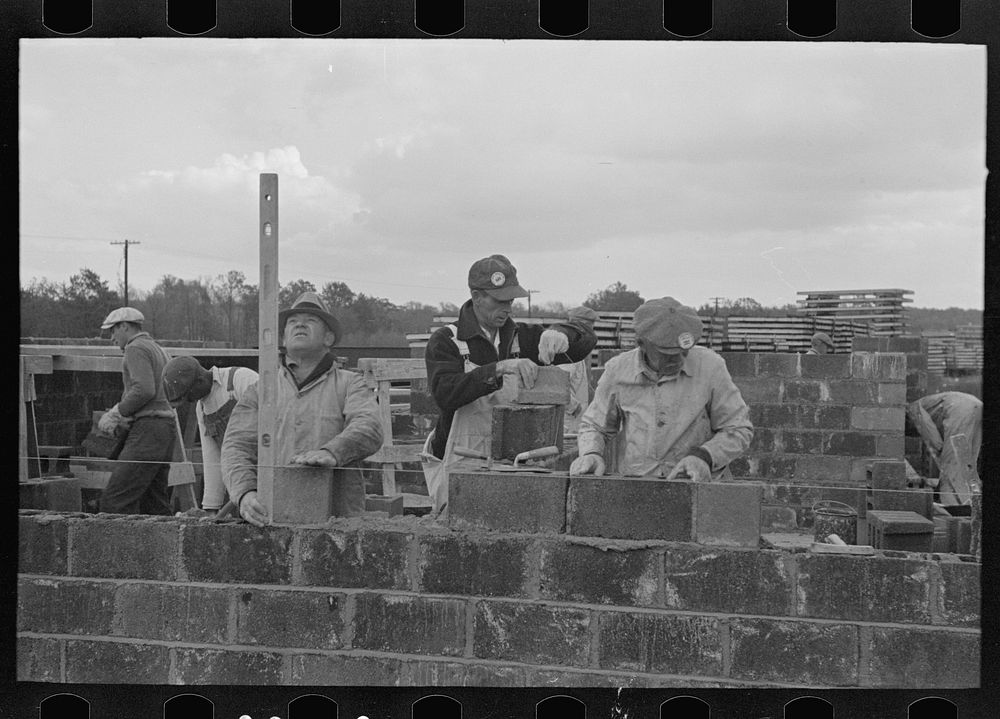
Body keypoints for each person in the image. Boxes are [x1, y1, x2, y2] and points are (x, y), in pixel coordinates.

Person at [423, 255, 598, 517]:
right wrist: (499, 368)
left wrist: (562, 332)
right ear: (477, 296)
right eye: (500, 301)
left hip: (512, 459)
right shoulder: (448, 341)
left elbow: (584, 343)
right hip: (461, 457)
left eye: (511, 301)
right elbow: (445, 393)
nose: (507, 308)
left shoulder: (520, 336)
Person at [221, 292, 383, 527]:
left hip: (337, 521)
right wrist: (245, 493)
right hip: (272, 517)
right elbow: (236, 445)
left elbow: (370, 426)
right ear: (284, 339)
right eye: (292, 322)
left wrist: (332, 452)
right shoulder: (261, 391)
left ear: (329, 338)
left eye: (311, 320)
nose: (300, 324)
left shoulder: (350, 384)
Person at [570, 297, 753, 481]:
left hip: (698, 486)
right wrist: (591, 453)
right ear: (641, 344)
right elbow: (595, 425)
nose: (679, 359)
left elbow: (738, 428)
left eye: (683, 351)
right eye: (667, 354)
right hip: (638, 487)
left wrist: (704, 456)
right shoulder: (618, 370)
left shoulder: (711, 367)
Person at [96, 307, 177, 515]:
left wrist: (116, 413)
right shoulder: (158, 349)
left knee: (115, 502)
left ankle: (115, 548)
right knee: (155, 505)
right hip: (165, 430)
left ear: (125, 326)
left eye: (113, 331)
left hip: (148, 431)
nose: (112, 338)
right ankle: (162, 547)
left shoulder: (135, 348)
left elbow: (144, 389)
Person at [162, 356, 259, 514]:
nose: (190, 401)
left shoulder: (241, 379)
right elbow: (212, 458)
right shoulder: (201, 409)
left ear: (200, 381)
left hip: (268, 471)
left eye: (188, 396)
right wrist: (211, 508)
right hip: (240, 479)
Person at [906, 391, 982, 505]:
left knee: (952, 465)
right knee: (968, 463)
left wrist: (941, 452)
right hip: (977, 405)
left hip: (959, 410)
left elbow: (933, 438)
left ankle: (952, 508)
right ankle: (971, 505)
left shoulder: (912, 410)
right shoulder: (927, 405)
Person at [560, 306, 599, 434]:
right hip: (569, 422)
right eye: (591, 326)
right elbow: (557, 385)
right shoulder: (568, 350)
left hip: (575, 420)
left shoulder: (576, 348)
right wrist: (574, 407)